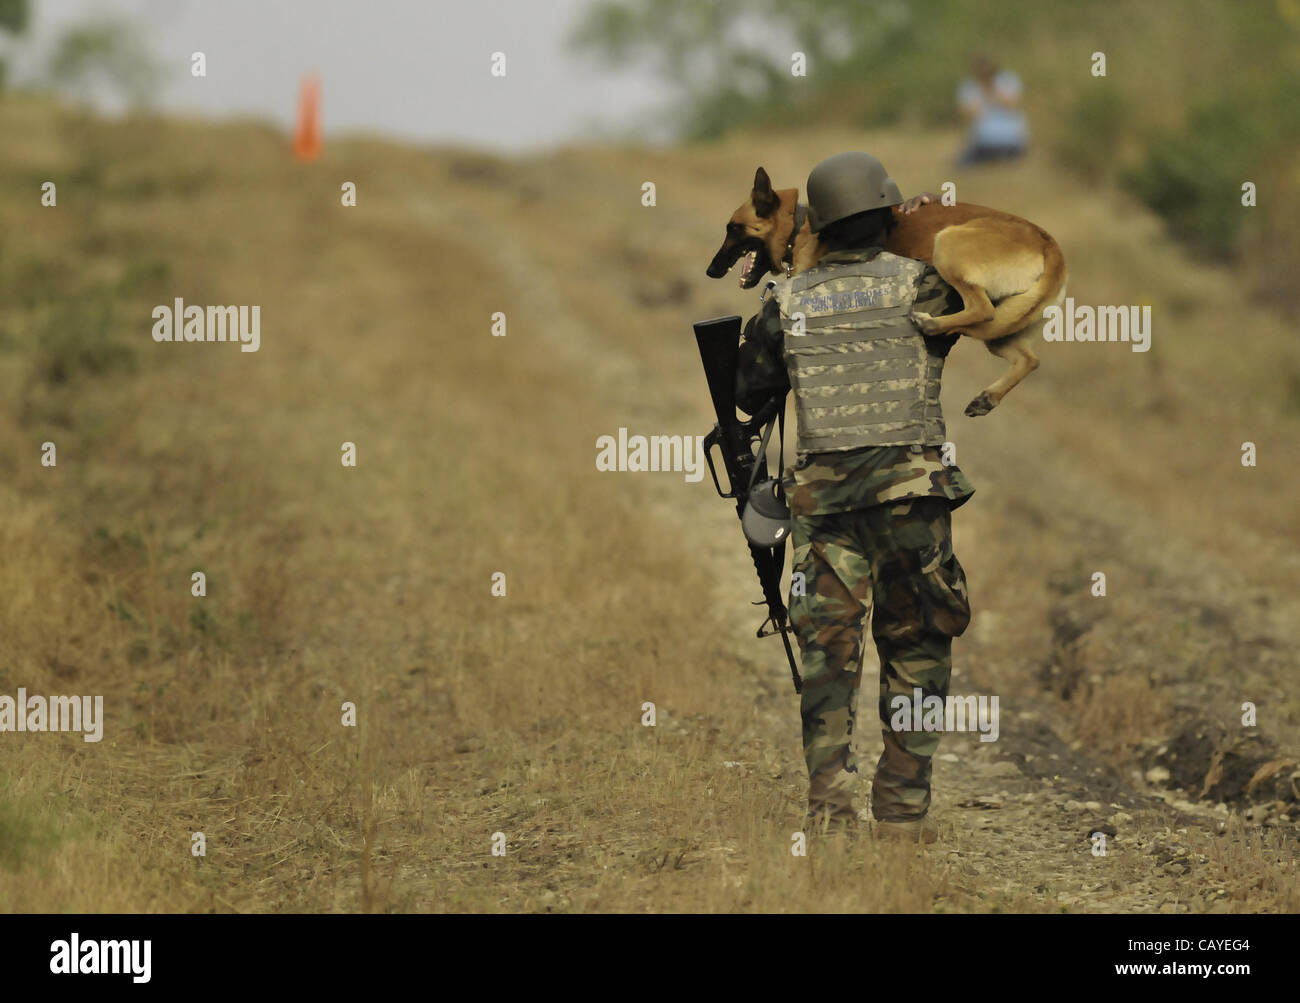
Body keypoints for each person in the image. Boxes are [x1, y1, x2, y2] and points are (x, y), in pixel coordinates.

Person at [734, 152, 974, 843]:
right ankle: (902, 812)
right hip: (913, 505)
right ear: (885, 213)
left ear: (821, 222)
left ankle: (830, 813)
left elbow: (751, 392)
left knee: (827, 658)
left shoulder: (787, 302)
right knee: (919, 648)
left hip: (828, 513)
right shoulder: (926, 286)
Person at [956, 55, 1028, 165]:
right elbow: (968, 114)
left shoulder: (1008, 80)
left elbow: (1013, 104)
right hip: (983, 142)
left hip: (1011, 140)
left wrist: (993, 90)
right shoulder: (970, 86)